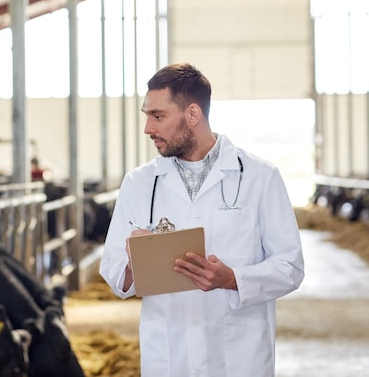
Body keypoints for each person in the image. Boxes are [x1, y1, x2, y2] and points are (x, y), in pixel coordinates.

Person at [99, 63, 304, 377]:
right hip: (169, 356)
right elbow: (114, 273)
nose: (148, 129)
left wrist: (232, 278)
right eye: (147, 115)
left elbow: (290, 266)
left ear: (192, 114)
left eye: (158, 116)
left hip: (238, 357)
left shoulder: (259, 177)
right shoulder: (140, 183)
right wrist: (132, 261)